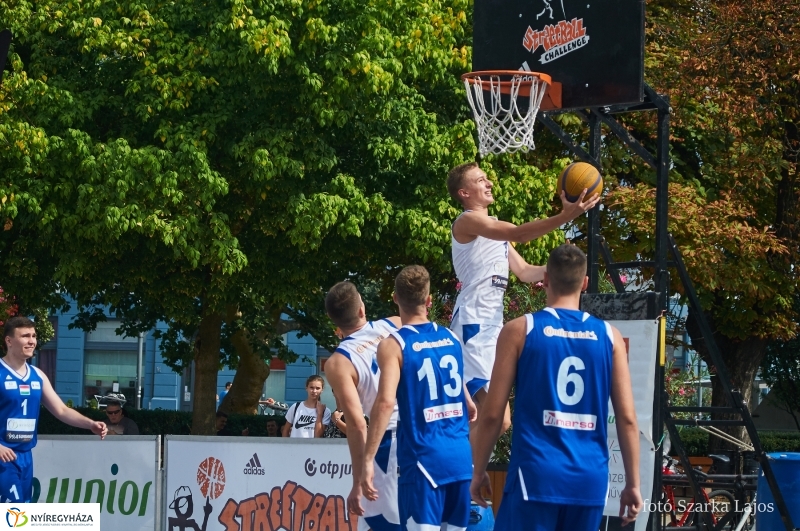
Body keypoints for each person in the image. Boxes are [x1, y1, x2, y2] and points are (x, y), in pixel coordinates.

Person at [469, 245, 642, 530]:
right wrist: (633, 483)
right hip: (588, 478)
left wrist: (478, 470)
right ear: (585, 283)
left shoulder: (519, 330)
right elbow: (627, 419)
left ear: (546, 279)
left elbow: (492, 414)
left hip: (535, 474)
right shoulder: (610, 336)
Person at [446, 161, 601, 435]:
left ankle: (460, 470)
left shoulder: (492, 229)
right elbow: (520, 233)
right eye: (480, 180)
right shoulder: (468, 220)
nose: (489, 182)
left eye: (486, 178)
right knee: (497, 419)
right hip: (475, 323)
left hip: (492, 325)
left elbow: (526, 272)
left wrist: (567, 270)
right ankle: (460, 473)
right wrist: (565, 216)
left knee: (482, 417)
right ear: (464, 193)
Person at [362, 266, 475, 531]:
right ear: (429, 300)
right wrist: (467, 402)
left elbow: (385, 402)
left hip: (424, 460)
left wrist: (367, 459)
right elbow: (461, 391)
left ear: (395, 298)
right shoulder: (450, 337)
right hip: (460, 458)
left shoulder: (394, 344)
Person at [1, 316, 107, 502]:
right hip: (3, 456)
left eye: (34, 335)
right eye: (25, 336)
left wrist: (90, 424)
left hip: (25, 456)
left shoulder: (37, 375)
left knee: (20, 514)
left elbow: (62, 410)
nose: (32, 340)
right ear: (9, 341)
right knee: (12, 515)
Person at [323, 280, 402, 530]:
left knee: (382, 523)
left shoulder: (338, 362)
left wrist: (358, 480)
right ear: (362, 308)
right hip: (430, 431)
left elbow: (357, 426)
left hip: (389, 440)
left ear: (334, 322)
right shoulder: (395, 324)